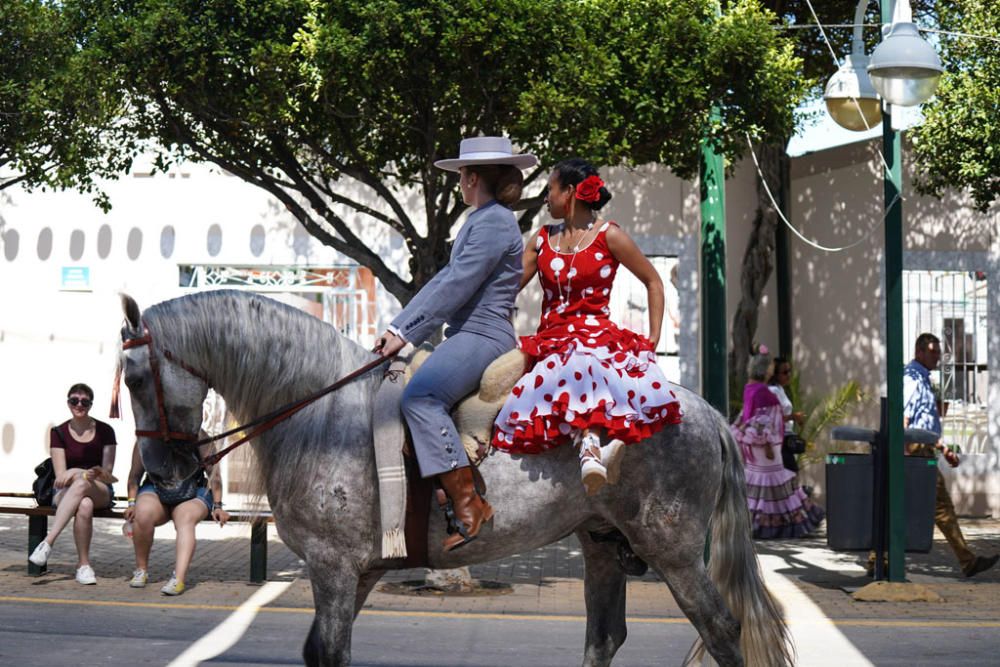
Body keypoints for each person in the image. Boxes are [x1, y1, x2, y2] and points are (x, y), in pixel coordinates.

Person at [373, 136, 537, 552]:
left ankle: (468, 504)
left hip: (483, 334)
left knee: (420, 398)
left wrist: (403, 331)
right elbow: (445, 279)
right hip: (469, 332)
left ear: (472, 177)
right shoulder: (483, 219)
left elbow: (457, 284)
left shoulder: (495, 221)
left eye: (462, 175)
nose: (459, 183)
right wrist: (401, 324)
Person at [492, 159, 682, 495]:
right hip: (551, 341)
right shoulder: (541, 240)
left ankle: (591, 447)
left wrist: (652, 339)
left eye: (550, 190)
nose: (545, 198)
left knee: (580, 358)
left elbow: (654, 280)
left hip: (595, 339)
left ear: (570, 192)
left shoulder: (610, 235)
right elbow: (504, 290)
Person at [895, 332, 998, 577]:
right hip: (915, 450)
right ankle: (967, 560)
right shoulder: (912, 379)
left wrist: (943, 448)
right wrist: (904, 451)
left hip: (923, 448)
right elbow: (905, 417)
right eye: (932, 352)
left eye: (938, 353)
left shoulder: (922, 378)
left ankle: (878, 558)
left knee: (905, 506)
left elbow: (925, 421)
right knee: (939, 508)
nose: (936, 357)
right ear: (919, 352)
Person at [28, 383, 117, 584]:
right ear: (68, 403)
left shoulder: (105, 431)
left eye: (85, 401)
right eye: (74, 400)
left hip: (100, 489)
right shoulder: (58, 432)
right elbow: (61, 477)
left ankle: (47, 542)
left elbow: (106, 474)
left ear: (91, 404)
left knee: (82, 483)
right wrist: (82, 474)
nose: (79, 404)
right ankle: (83, 566)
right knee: (84, 505)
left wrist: (77, 472)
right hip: (65, 491)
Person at [731, 346, 823, 539]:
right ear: (766, 370)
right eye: (772, 367)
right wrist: (766, 444)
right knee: (776, 482)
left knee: (762, 483)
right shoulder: (765, 392)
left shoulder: (750, 387)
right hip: (766, 446)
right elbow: (762, 420)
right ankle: (785, 523)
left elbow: (748, 417)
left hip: (754, 445)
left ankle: (757, 523)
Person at [123, 439, 229, 595]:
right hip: (156, 488)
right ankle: (141, 569)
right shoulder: (146, 436)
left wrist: (218, 506)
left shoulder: (198, 436)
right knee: (142, 512)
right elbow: (134, 475)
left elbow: (214, 474)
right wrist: (132, 503)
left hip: (193, 489)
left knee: (185, 517)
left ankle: (178, 579)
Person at [768, 357, 805, 473]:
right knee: (791, 475)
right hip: (780, 440)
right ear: (775, 374)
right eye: (784, 372)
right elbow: (772, 418)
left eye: (789, 371)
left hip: (786, 437)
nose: (788, 375)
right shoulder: (773, 391)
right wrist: (793, 417)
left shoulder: (780, 389)